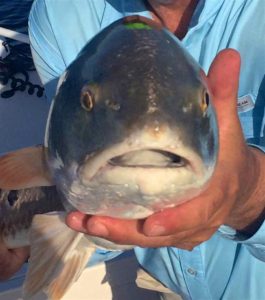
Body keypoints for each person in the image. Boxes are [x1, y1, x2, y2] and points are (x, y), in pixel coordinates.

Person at [2, 0, 265, 299]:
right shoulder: (61, 12)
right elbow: (68, 162)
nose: (150, 134)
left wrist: (249, 192)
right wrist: (23, 239)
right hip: (167, 288)